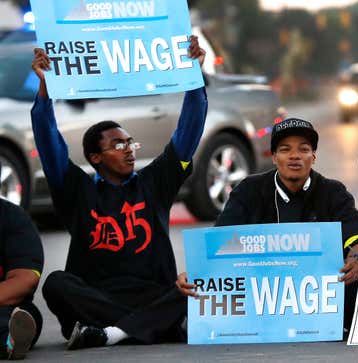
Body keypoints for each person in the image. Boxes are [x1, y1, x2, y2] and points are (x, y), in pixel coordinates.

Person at [30, 36, 208, 350]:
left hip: (150, 292)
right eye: (117, 145)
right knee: (56, 284)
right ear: (95, 158)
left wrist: (194, 78)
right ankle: (150, 326)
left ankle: (111, 333)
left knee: (189, 288)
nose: (128, 150)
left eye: (129, 142)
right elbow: (48, 143)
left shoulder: (155, 181)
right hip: (97, 296)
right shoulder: (76, 189)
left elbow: (188, 133)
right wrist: (45, 90)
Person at [177, 117, 358, 330]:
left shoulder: (333, 192)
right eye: (285, 150)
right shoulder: (248, 190)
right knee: (188, 292)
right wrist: (197, 273)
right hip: (260, 290)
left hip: (317, 292)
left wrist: (355, 260)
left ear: (313, 157)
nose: (295, 156)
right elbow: (219, 242)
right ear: (274, 157)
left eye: (303, 150)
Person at [0, 183, 44, 360]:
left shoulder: (13, 217)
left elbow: (25, 280)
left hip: (5, 305)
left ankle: (10, 342)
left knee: (22, 317)